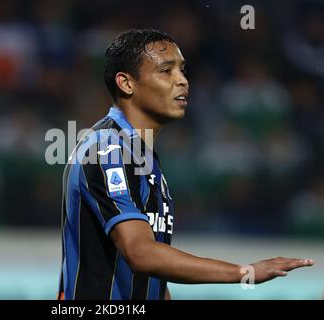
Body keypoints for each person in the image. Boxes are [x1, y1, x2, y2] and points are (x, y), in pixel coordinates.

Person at [57, 29, 314, 300]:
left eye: (182, 70)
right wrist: (245, 272)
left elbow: (151, 275)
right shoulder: (107, 149)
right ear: (126, 83)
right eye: (166, 71)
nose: (182, 81)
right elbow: (141, 253)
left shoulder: (142, 157)